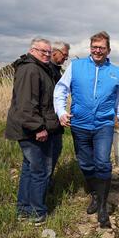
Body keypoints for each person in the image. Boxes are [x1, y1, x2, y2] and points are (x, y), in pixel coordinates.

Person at [54, 31, 119, 228]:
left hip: (103, 125)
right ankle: (95, 195)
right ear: (90, 48)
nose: (97, 50)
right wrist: (61, 111)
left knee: (103, 163)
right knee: (86, 164)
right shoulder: (76, 66)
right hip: (79, 124)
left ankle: (103, 207)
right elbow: (61, 89)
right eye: (94, 47)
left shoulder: (116, 72)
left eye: (101, 47)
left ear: (108, 50)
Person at [5, 38, 63, 226]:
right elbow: (26, 104)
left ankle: (24, 209)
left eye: (48, 52)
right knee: (40, 170)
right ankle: (37, 212)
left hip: (31, 128)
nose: (46, 55)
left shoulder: (40, 68)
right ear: (32, 50)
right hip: (31, 130)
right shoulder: (30, 69)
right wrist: (38, 127)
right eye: (42, 51)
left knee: (29, 170)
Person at [47, 41, 70, 192]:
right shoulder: (47, 69)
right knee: (47, 157)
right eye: (64, 55)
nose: (65, 59)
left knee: (55, 151)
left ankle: (48, 184)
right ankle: (45, 188)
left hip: (56, 122)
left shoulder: (57, 70)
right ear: (55, 52)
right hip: (48, 121)